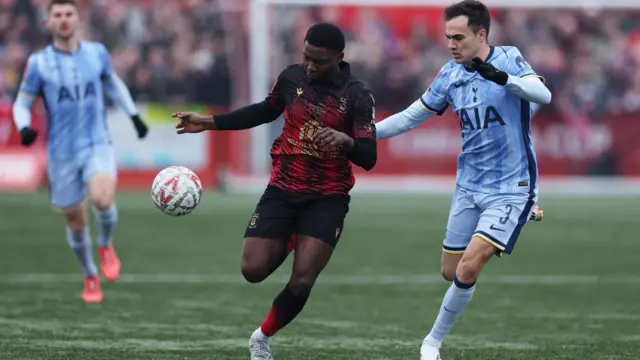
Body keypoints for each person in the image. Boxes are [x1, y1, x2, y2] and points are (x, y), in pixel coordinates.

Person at [173, 22, 376, 360]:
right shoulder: (291, 78)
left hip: (327, 197)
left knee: (301, 281)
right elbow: (265, 111)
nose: (311, 66)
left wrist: (347, 141)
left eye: (319, 61)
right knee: (252, 270)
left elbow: (369, 156)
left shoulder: (357, 95)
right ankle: (295, 235)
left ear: (340, 58)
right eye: (306, 58)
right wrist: (208, 122)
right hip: (282, 188)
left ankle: (262, 337)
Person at [373, 1, 551, 359]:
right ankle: (525, 212)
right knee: (450, 271)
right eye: (447, 37)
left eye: (458, 37)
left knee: (470, 265)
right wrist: (364, 135)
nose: (451, 44)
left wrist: (503, 79)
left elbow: (543, 95)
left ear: (481, 34)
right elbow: (410, 117)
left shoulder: (508, 59)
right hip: (469, 186)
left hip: (510, 186)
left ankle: (431, 344)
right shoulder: (450, 74)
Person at [12, 0, 148, 303]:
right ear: (48, 22)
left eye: (68, 13)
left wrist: (133, 115)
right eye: (57, 14)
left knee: (102, 198)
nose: (63, 19)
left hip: (96, 142)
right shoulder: (39, 63)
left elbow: (113, 85)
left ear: (78, 18)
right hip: (61, 153)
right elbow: (22, 102)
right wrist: (23, 127)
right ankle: (90, 274)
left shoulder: (97, 53)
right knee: (75, 220)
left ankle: (106, 245)